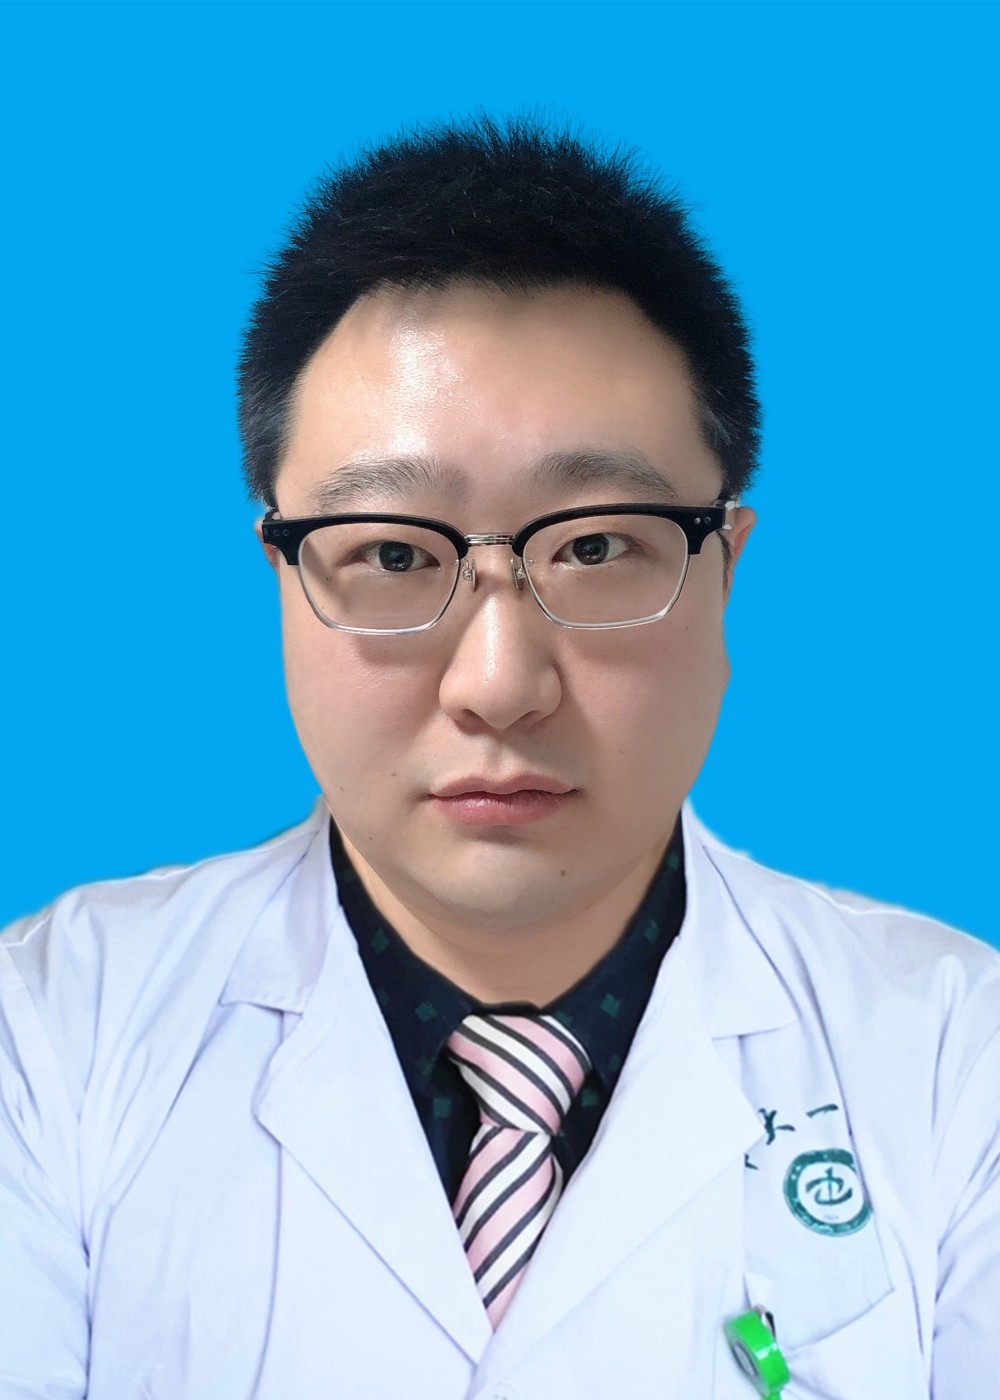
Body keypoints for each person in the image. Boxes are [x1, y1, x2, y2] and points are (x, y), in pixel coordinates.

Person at [1, 117, 997, 1400]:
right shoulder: (48, 1040)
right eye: (391, 553)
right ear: (282, 578)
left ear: (725, 569)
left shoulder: (956, 1057)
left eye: (596, 547)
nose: (498, 684)